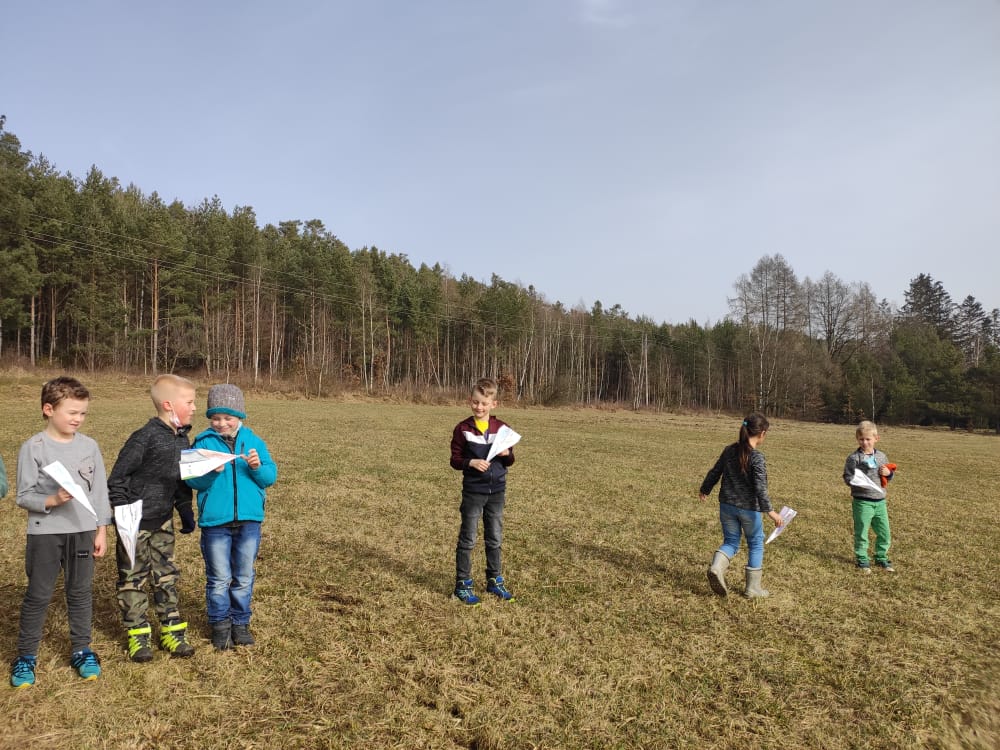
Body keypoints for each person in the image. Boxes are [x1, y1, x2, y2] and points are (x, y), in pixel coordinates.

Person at [10, 376, 112, 688]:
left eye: (83, 413)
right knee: (38, 594)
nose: (78, 419)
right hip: (46, 534)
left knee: (80, 592)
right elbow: (23, 495)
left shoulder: (90, 446)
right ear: (48, 409)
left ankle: (82, 649)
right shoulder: (34, 448)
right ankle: (26, 656)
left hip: (83, 532)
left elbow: (99, 492)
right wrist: (52, 500)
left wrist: (101, 530)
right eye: (72, 413)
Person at [108, 374, 198, 662]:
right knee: (132, 578)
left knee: (166, 575)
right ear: (169, 405)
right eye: (189, 402)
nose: (194, 408)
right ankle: (138, 634)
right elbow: (117, 479)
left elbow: (181, 479)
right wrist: (123, 515)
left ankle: (171, 630)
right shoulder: (144, 438)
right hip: (134, 523)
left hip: (163, 520)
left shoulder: (182, 439)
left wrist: (184, 509)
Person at [185, 384, 277, 651]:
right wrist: (210, 472)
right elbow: (192, 480)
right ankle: (220, 625)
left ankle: (240, 623)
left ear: (240, 416)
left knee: (244, 576)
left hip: (249, 521)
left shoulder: (254, 441)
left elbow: (270, 477)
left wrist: (257, 468)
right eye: (216, 418)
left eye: (228, 417)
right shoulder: (202, 443)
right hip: (216, 522)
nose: (222, 423)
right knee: (219, 578)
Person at [699, 413, 784, 599]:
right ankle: (753, 589)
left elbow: (715, 471)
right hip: (749, 510)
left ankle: (716, 567)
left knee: (731, 542)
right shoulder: (757, 457)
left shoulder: (729, 450)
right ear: (762, 433)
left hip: (726, 506)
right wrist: (771, 512)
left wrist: (705, 489)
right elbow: (760, 488)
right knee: (755, 543)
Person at [449, 377, 517, 605]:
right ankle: (462, 584)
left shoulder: (503, 429)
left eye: (484, 403)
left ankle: (494, 580)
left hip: (496, 492)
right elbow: (455, 460)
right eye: (476, 402)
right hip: (473, 492)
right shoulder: (462, 429)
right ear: (470, 400)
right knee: (468, 539)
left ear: (493, 404)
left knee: (494, 538)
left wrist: (507, 454)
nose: (479, 407)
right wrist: (471, 462)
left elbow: (510, 460)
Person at [843, 420, 895, 574]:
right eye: (861, 439)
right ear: (857, 439)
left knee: (884, 532)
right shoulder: (854, 458)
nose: (865, 442)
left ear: (876, 438)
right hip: (862, 502)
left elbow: (888, 476)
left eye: (868, 439)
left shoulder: (881, 456)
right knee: (862, 532)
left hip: (880, 502)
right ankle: (862, 558)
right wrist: (857, 481)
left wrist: (888, 473)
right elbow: (847, 476)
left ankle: (881, 557)